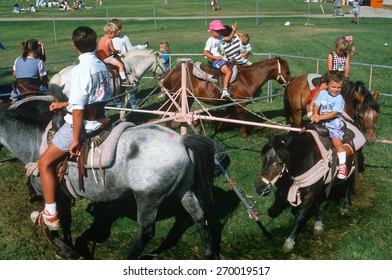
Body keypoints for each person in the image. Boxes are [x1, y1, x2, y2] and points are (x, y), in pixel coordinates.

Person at [31, 26, 112, 230]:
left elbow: (78, 110)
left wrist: (75, 139)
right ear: (95, 44)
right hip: (101, 117)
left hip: (84, 124)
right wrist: (63, 104)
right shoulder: (102, 66)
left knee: (44, 163)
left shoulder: (80, 70)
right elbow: (95, 97)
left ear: (74, 47)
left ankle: (50, 213)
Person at [310, 71, 347, 179]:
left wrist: (319, 117)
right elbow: (317, 104)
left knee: (336, 140)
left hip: (333, 122)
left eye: (339, 87)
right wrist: (315, 113)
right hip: (320, 119)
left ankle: (343, 165)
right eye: (333, 87)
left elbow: (334, 113)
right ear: (327, 85)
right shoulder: (322, 93)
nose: (336, 90)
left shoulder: (339, 99)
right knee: (307, 130)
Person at [307, 36, 354, 116]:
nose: (341, 52)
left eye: (343, 51)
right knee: (321, 87)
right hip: (332, 75)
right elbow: (330, 69)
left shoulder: (346, 56)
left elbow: (347, 66)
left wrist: (346, 73)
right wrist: (335, 77)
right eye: (340, 50)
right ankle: (311, 105)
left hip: (342, 77)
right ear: (336, 47)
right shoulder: (331, 55)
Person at [203, 20, 237, 99]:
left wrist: (233, 31)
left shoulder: (220, 37)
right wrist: (215, 57)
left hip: (223, 59)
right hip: (217, 61)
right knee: (228, 72)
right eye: (217, 31)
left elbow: (229, 38)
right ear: (211, 30)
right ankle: (224, 90)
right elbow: (205, 53)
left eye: (220, 30)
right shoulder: (210, 40)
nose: (219, 32)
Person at [98, 22, 132, 87]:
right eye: (114, 33)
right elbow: (113, 50)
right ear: (110, 33)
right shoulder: (109, 40)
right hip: (107, 58)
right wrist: (117, 51)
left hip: (101, 57)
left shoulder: (101, 39)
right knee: (121, 65)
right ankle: (124, 81)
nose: (115, 35)